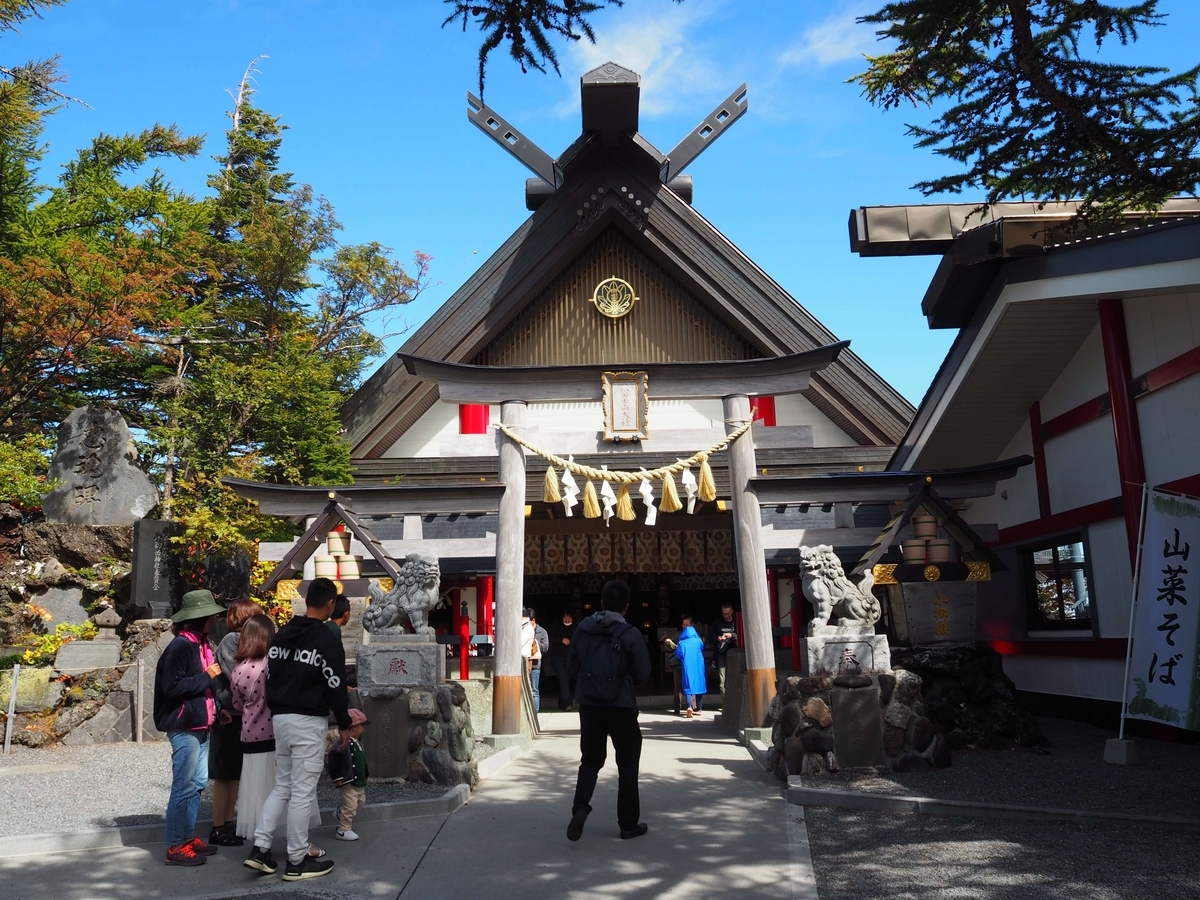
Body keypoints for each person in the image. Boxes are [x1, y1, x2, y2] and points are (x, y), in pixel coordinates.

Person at [244, 577, 350, 882]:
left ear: (307, 600)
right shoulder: (326, 637)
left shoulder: (283, 633)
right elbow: (335, 681)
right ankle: (297, 859)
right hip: (307, 720)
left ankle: (261, 849)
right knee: (302, 791)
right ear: (330, 604)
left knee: (284, 785)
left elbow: (270, 676)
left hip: (281, 717)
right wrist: (343, 722)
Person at [565, 580, 651, 842]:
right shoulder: (630, 634)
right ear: (626, 607)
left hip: (590, 705)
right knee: (627, 764)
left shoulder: (582, 630)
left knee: (590, 761)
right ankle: (627, 824)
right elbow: (643, 673)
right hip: (621, 705)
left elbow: (571, 668)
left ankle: (580, 808)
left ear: (601, 603)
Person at [153, 589, 225, 867]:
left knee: (196, 784)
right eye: (210, 617)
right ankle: (174, 845)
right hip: (184, 725)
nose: (214, 621)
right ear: (200, 619)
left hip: (200, 722)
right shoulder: (181, 646)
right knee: (183, 786)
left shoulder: (199, 643)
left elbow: (202, 686)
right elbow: (171, 687)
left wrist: (217, 709)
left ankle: (185, 837)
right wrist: (206, 676)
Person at [208, 598, 259, 847]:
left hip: (243, 714)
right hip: (228, 711)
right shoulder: (231, 639)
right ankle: (219, 826)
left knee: (235, 773)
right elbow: (234, 675)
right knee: (224, 773)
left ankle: (229, 822)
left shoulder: (251, 640)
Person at [230, 614, 277, 843]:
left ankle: (258, 834)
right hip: (273, 731)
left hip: (249, 733)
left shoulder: (238, 668)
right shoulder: (272, 664)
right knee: (277, 786)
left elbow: (237, 703)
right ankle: (272, 836)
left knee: (254, 788)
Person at [327, 708, 370, 841]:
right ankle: (343, 829)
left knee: (360, 802)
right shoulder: (342, 744)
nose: (363, 728)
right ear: (354, 727)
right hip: (347, 781)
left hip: (358, 781)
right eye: (362, 726)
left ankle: (341, 813)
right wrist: (338, 777)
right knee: (351, 805)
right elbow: (333, 759)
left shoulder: (356, 742)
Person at [674, 620, 707, 717]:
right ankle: (699, 708)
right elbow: (702, 647)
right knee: (699, 685)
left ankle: (689, 706)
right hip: (699, 667)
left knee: (688, 686)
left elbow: (678, 655)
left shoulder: (682, 643)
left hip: (687, 667)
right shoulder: (699, 641)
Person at [521, 608, 549, 713]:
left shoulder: (542, 631)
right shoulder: (523, 628)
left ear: (533, 620)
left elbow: (546, 647)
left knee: (534, 689)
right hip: (525, 660)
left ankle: (535, 711)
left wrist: (535, 642)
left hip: (535, 663)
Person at [548, 610, 576, 710]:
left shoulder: (576, 628)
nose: (567, 619)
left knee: (566, 680)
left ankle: (562, 703)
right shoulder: (556, 627)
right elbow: (550, 638)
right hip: (557, 658)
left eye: (569, 617)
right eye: (565, 617)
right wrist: (561, 640)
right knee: (564, 679)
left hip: (570, 659)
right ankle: (568, 703)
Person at [713, 603, 738, 696]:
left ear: (732, 612)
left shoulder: (737, 622)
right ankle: (724, 704)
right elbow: (711, 636)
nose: (726, 616)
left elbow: (744, 636)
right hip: (721, 653)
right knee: (722, 680)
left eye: (728, 613)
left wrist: (732, 635)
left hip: (735, 652)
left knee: (734, 678)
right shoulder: (718, 623)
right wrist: (717, 638)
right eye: (724, 613)